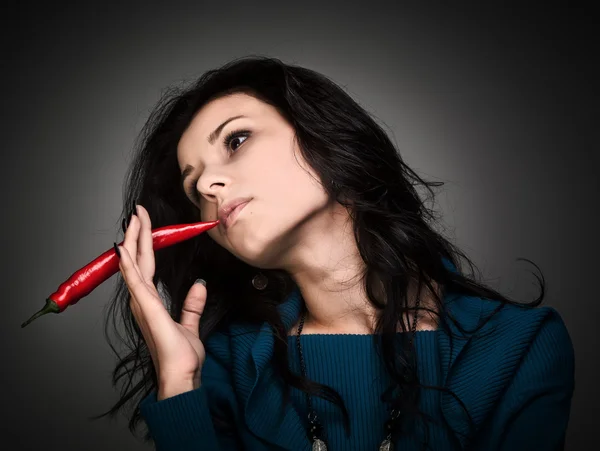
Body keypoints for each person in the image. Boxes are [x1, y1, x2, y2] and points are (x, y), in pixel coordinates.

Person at [91, 56, 575, 450]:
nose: (209, 185)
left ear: (324, 133)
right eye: (193, 186)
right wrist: (178, 383)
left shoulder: (516, 345)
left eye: (236, 141)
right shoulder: (224, 364)